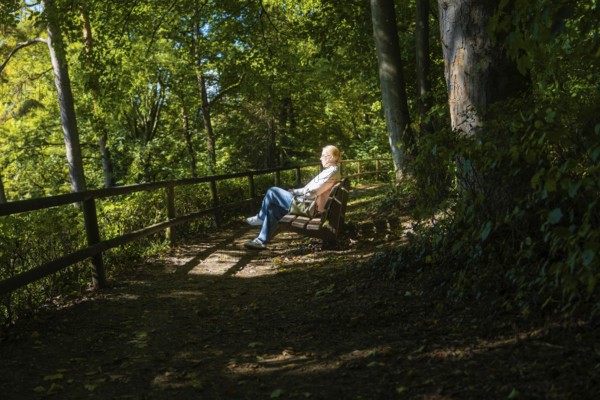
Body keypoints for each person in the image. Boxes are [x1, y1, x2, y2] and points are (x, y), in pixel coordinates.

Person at [244, 145, 342, 250]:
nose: (320, 158)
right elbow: (311, 190)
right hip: (309, 204)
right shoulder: (331, 171)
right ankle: (261, 241)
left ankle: (260, 217)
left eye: (323, 155)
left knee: (272, 191)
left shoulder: (331, 172)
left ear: (331, 157)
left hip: (309, 207)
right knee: (273, 210)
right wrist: (296, 191)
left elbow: (311, 193)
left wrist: (296, 193)